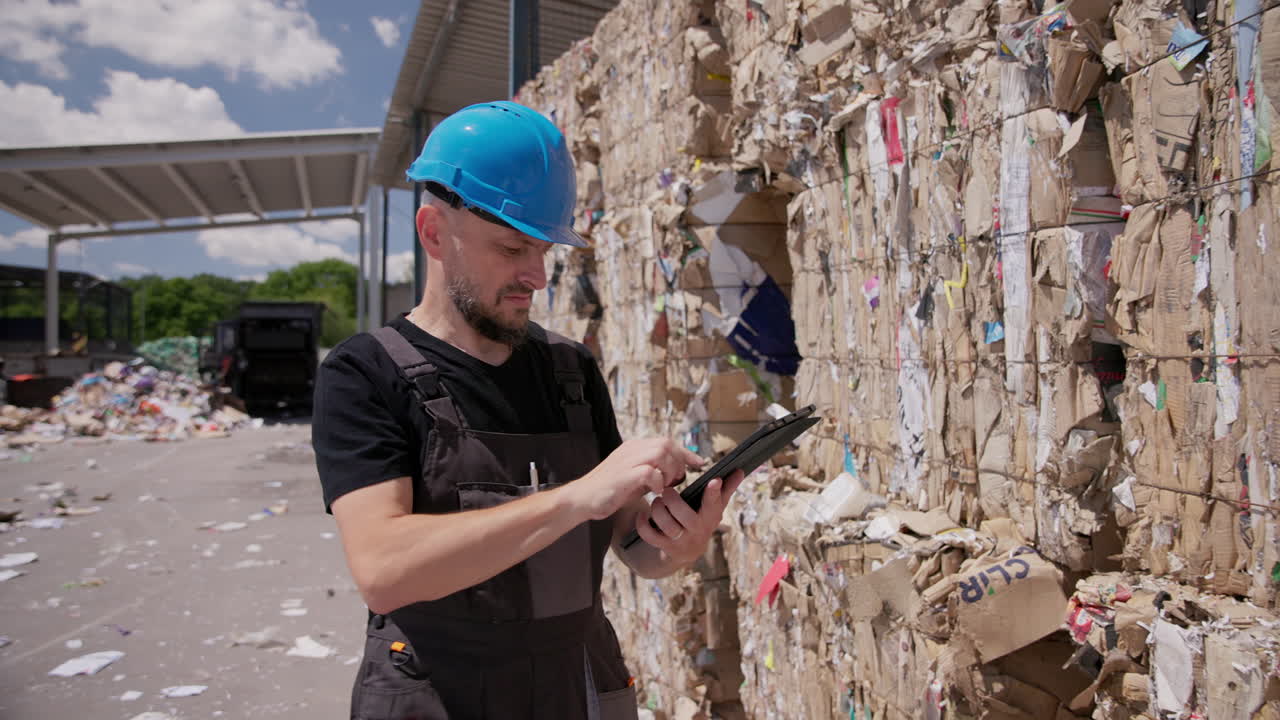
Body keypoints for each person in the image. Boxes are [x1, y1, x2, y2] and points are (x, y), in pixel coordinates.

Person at [312, 100, 745, 720]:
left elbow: (633, 545)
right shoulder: (364, 374)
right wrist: (577, 497)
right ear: (434, 231)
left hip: (579, 688)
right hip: (439, 695)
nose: (537, 276)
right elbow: (384, 568)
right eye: (513, 248)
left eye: (544, 250)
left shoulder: (570, 372)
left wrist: (678, 543)